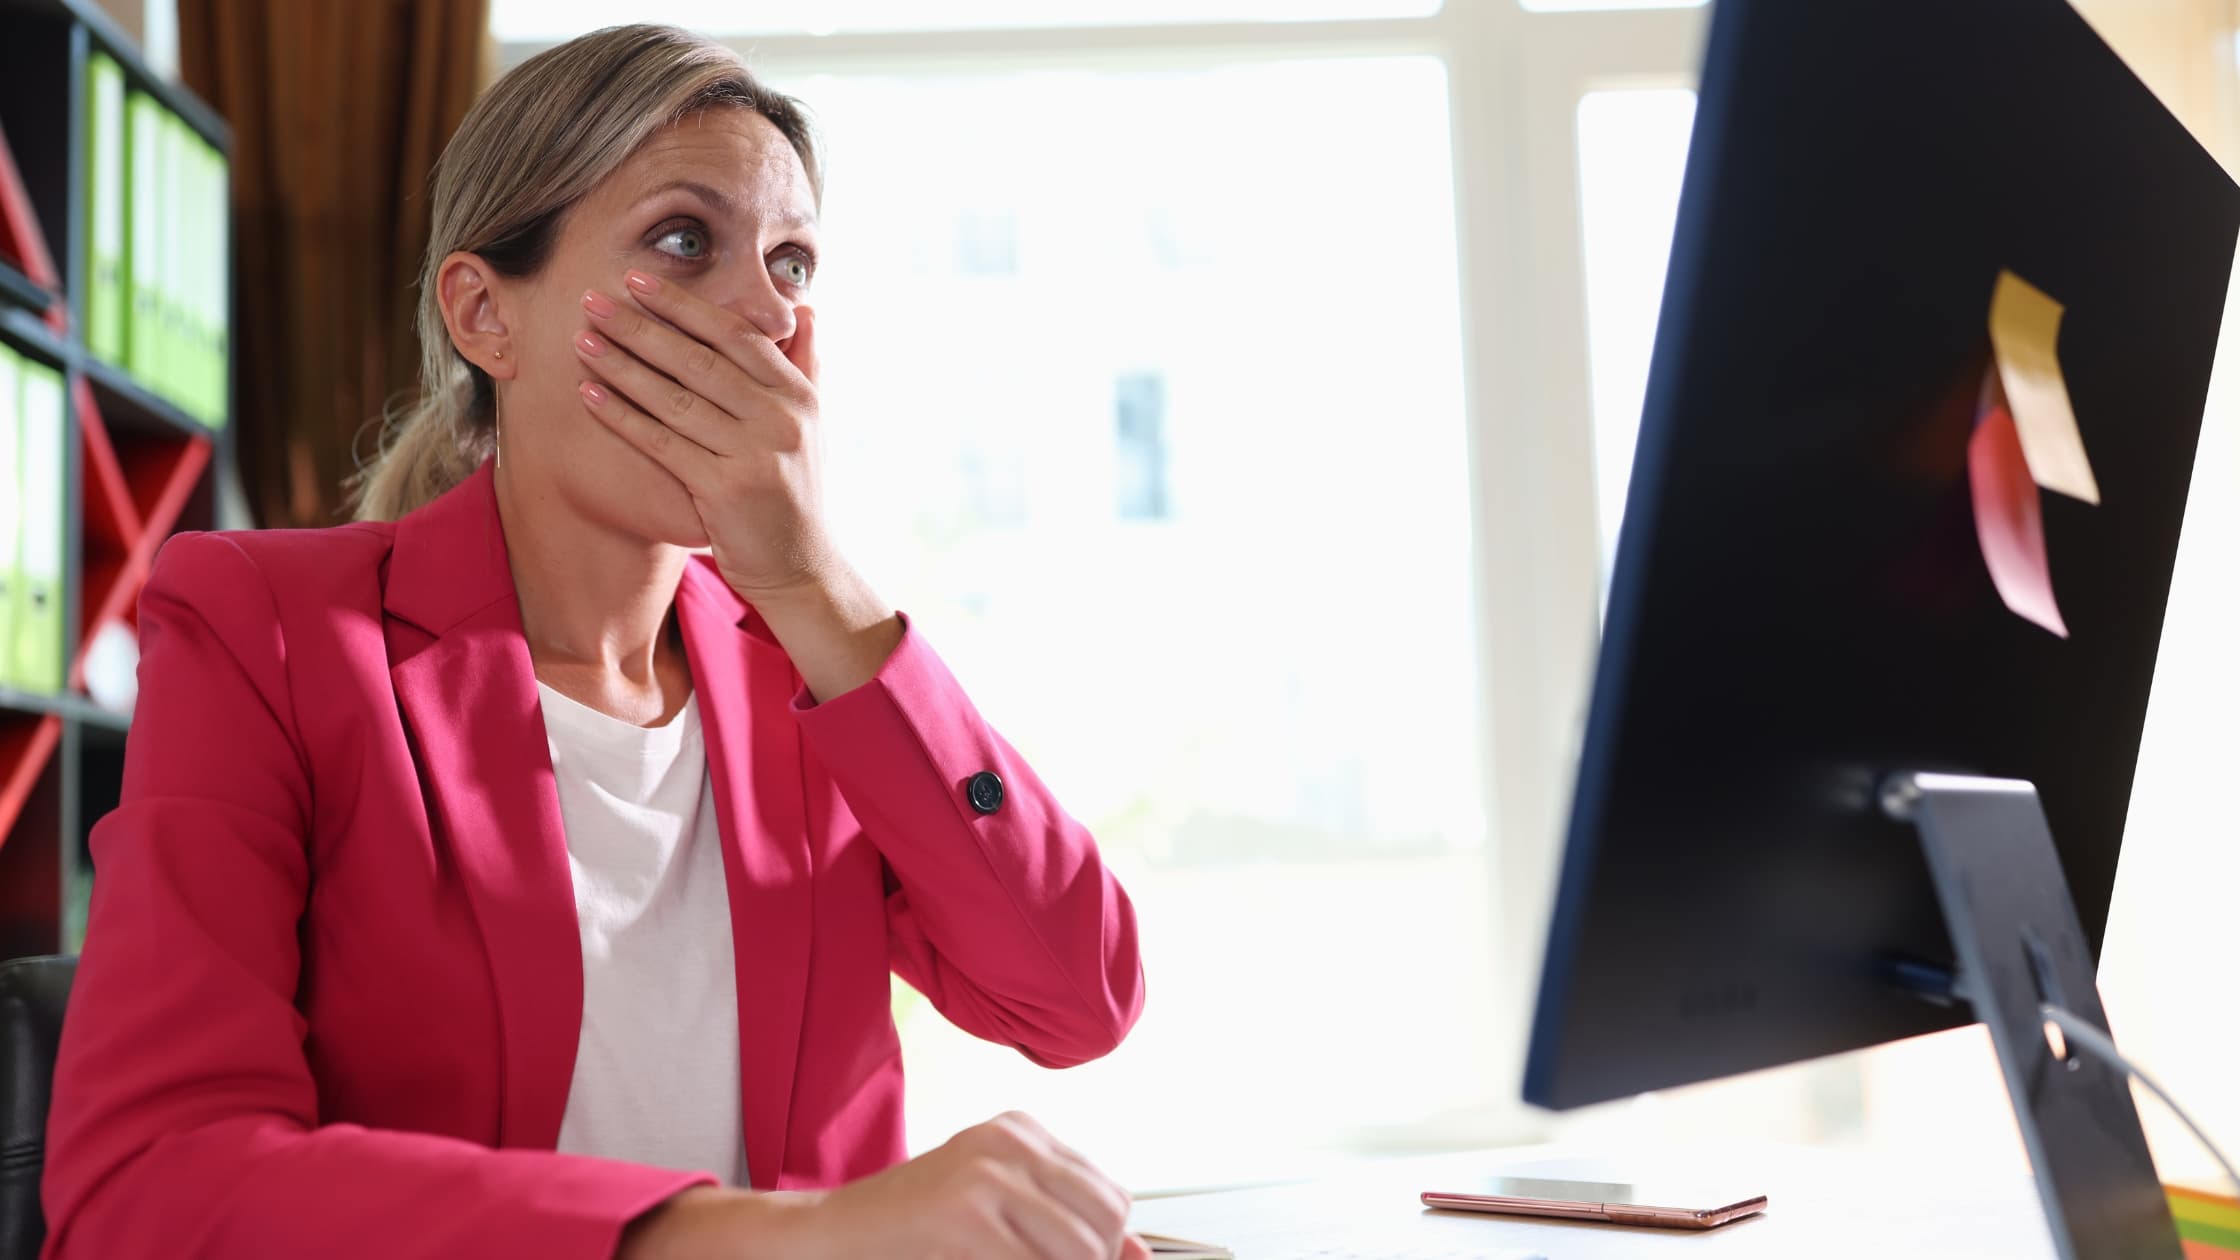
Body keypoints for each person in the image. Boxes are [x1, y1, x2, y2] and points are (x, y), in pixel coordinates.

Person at [39, 23, 1147, 1260]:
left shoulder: (814, 668)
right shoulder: (271, 631)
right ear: (485, 316)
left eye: (790, 262)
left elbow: (1078, 996)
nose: (765, 312)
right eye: (684, 241)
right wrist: (758, 1237)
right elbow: (147, 1186)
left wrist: (813, 588)